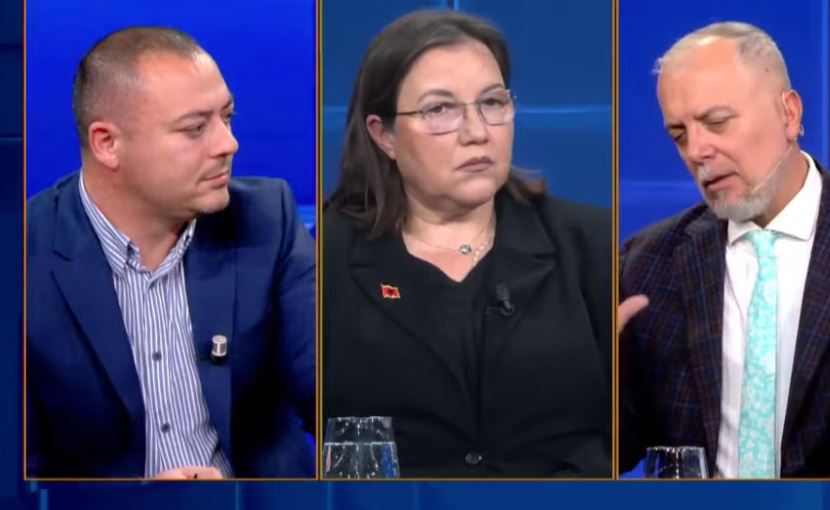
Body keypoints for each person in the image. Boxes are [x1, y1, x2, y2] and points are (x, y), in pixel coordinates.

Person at [321, 10, 611, 478]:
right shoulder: (326, 258)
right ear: (384, 135)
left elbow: (628, 436)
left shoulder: (591, 244)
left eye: (492, 103)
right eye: (440, 110)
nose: (477, 132)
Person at [618, 21, 830, 478]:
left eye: (717, 122)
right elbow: (608, 451)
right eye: (679, 134)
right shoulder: (648, 265)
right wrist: (588, 388)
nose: (697, 150)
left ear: (789, 114)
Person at [26, 27, 316, 479]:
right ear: (107, 144)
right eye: (195, 129)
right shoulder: (25, 257)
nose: (228, 144)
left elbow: (336, 396)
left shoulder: (267, 219)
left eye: (228, 117)